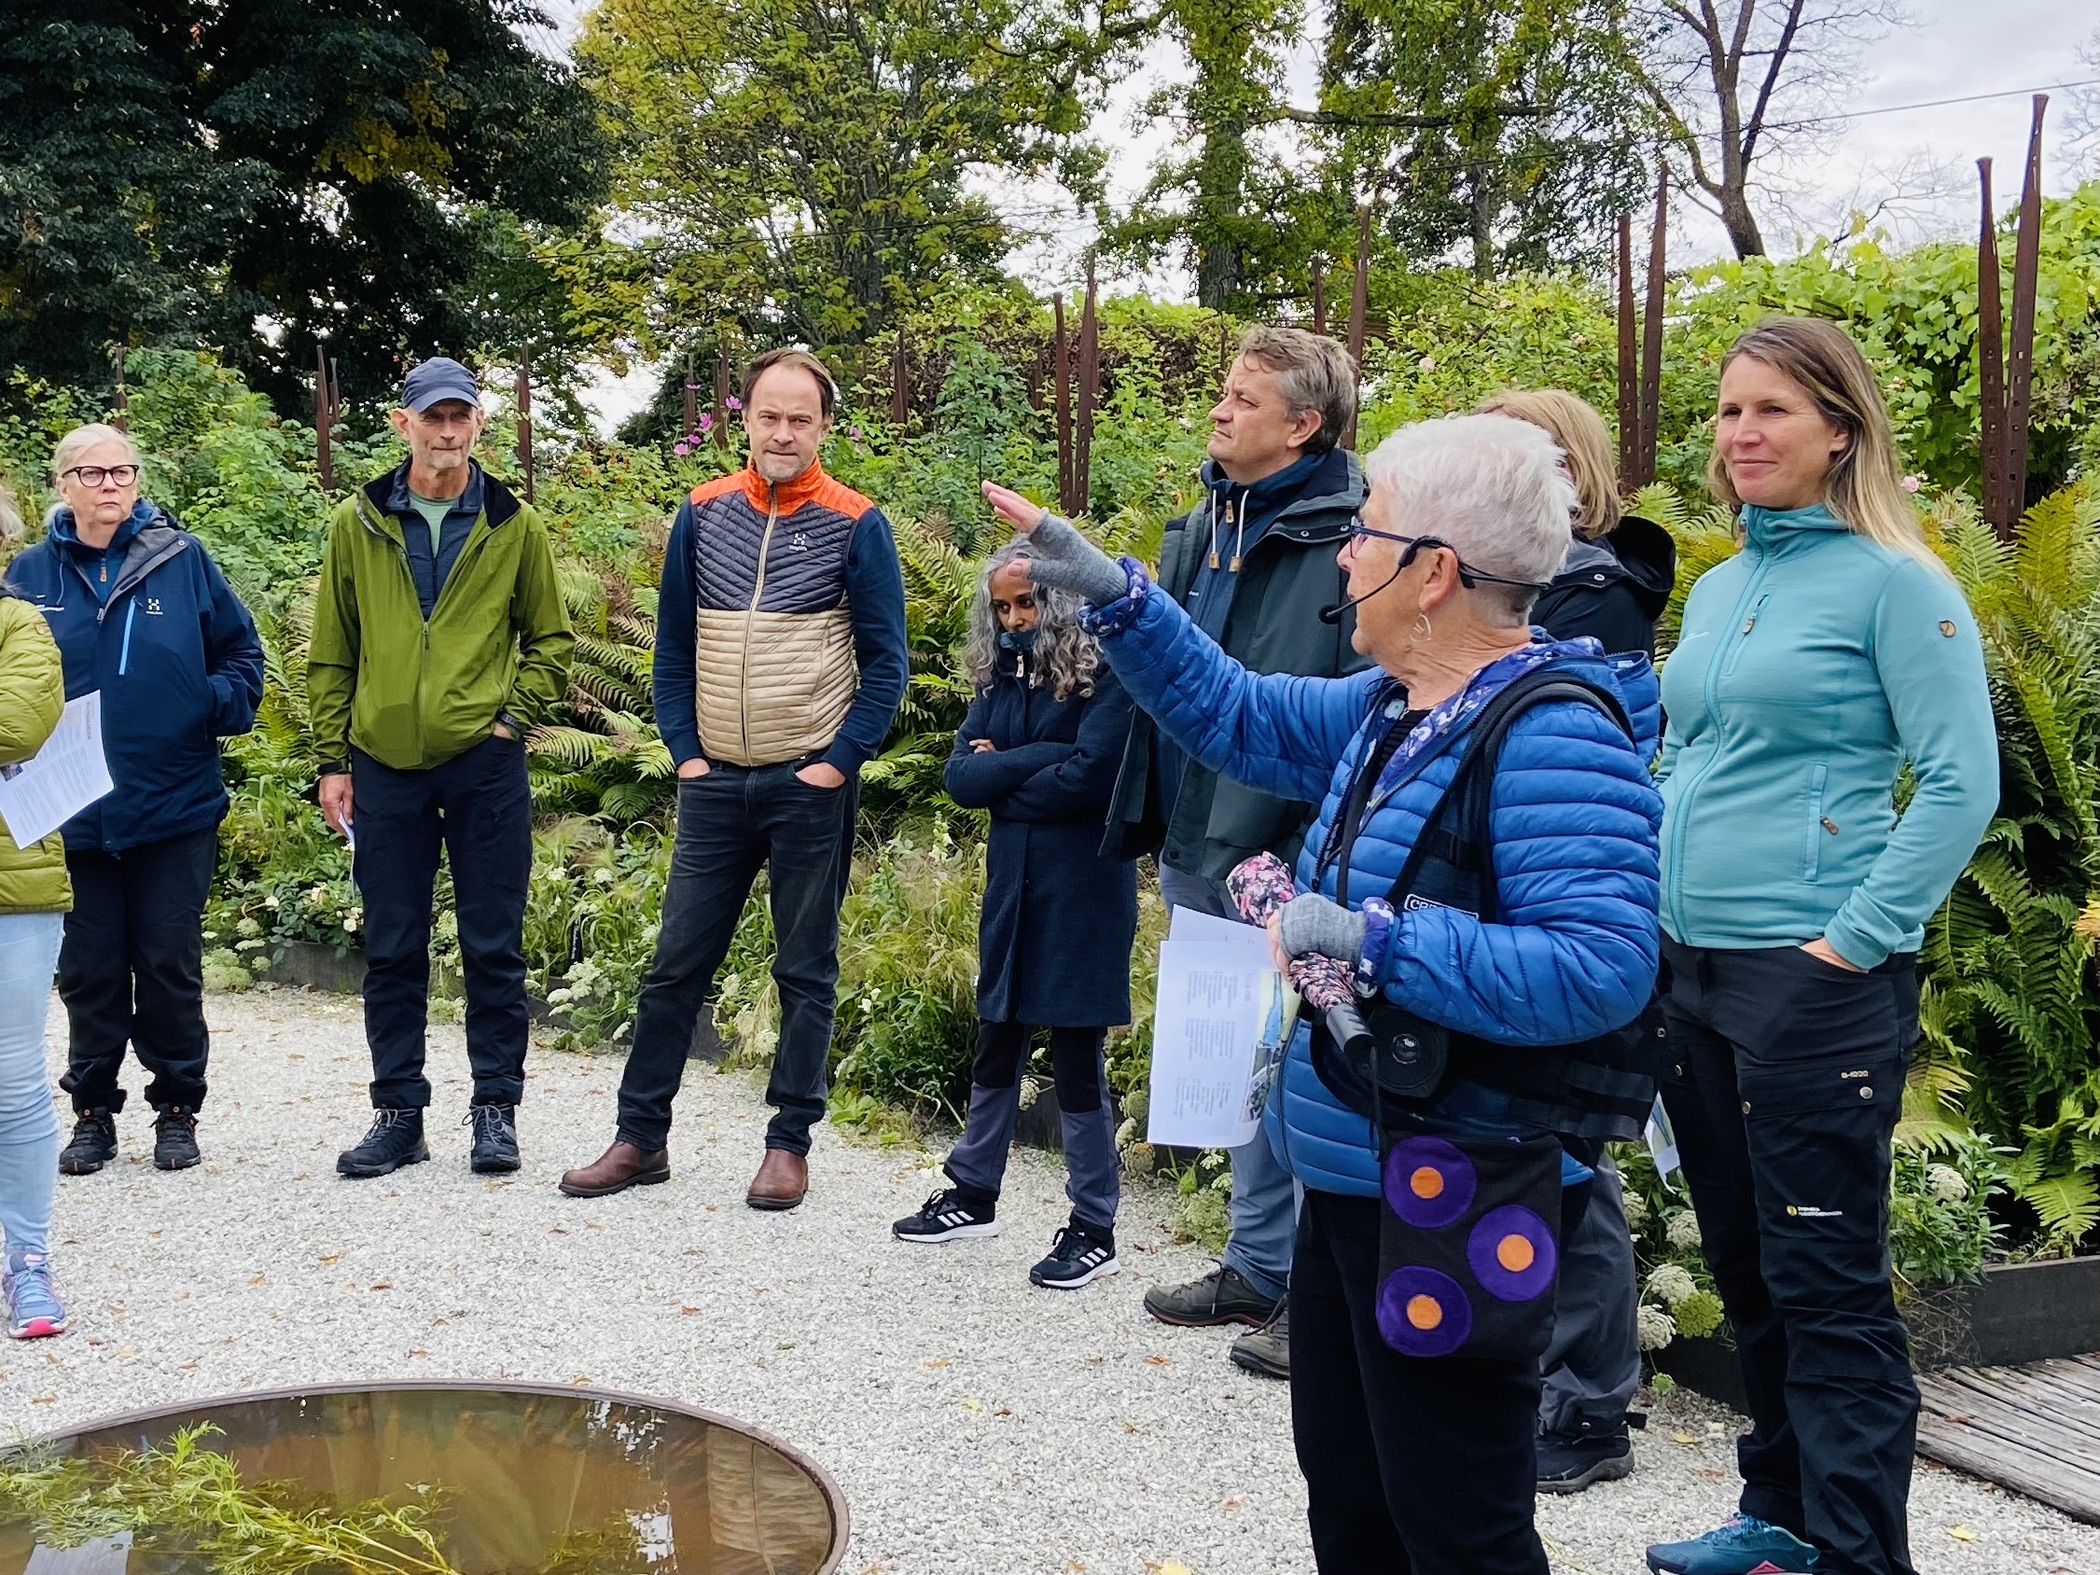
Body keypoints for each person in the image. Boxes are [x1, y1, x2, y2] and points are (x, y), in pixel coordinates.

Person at [985, 407, 1663, 1574]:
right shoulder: (1396, 706)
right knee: (1352, 1501)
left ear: (1435, 574)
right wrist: (1118, 595)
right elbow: (1236, 714)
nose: (1347, 551)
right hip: (1359, 1173)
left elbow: (1601, 969)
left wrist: (1372, 936)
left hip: (1463, 1185)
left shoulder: (1552, 736)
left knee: (1457, 1523)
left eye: (1369, 530)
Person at [1642, 318, 1996, 1575]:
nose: (1741, 435)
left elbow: (1962, 784)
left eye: (1772, 412)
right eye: (1730, 411)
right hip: (1691, 973)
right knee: (1745, 1268)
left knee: (1828, 1284)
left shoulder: (1899, 581)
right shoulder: (1729, 583)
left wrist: (1851, 944)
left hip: (1815, 985)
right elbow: (1690, 749)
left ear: (1840, 429)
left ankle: (1859, 1556)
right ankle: (1781, 1518)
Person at [560, 348, 907, 1212]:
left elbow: (888, 664)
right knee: (675, 967)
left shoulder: (857, 522)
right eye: (768, 415)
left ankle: (789, 1143)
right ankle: (640, 1138)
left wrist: (837, 762)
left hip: (807, 784)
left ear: (825, 426)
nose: (783, 431)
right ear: (742, 419)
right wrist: (684, 751)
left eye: (800, 418)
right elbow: (672, 644)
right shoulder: (703, 511)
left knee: (805, 970)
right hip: (714, 783)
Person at [1116, 325, 1367, 1378]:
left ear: (1303, 425)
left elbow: (1341, 703)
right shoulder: (1199, 525)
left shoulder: (1353, 537)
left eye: (1241, 401)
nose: (1218, 414)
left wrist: (1286, 835)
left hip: (1280, 845)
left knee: (1304, 1063)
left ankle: (1318, 1290)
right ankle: (1256, 1264)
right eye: (1222, 397)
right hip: (1193, 832)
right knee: (1237, 1062)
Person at [309, 357, 575, 1179]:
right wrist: (331, 758)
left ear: (479, 426)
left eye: (462, 417)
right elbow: (332, 651)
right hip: (383, 764)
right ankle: (398, 1113)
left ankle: (495, 1109)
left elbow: (552, 642)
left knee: (493, 943)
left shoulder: (511, 522)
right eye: (434, 417)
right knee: (392, 944)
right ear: (404, 424)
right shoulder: (358, 524)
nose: (448, 432)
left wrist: (508, 723)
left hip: (481, 765)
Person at [1481, 388, 1675, 1494]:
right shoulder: (1555, 582)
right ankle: (1540, 1383)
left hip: (1559, 896)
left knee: (1567, 1162)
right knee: (1529, 1157)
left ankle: (1595, 1406)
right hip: (1513, 888)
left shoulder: (1588, 592)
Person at [3, 425, 264, 1176]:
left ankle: (177, 1107)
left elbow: (244, 654)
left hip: (173, 805)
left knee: (168, 964)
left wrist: (204, 703)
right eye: (93, 472)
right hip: (68, 813)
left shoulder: (183, 561)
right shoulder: (30, 575)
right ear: (64, 486)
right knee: (87, 969)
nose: (111, 483)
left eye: (123, 470)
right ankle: (92, 1111)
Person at [892, 539, 1138, 1287]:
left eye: (1026, 603)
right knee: (997, 1033)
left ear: (1058, 599)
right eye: (1001, 606)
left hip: (1085, 886)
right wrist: (1037, 759)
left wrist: (1007, 764)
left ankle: (1094, 1224)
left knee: (1075, 1052)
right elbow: (960, 777)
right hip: (1015, 882)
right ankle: (973, 1190)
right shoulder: (1001, 674)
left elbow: (1093, 778)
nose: (1013, 618)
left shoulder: (1110, 671)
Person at [1, 488, 73, 1338]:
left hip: (13, 882)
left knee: (14, 1076)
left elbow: (20, 723)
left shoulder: (21, 627)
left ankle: (25, 1259)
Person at [1480, 389, 1676, 658]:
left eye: (1501, 457)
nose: (1474, 473)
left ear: (1570, 468)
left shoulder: (1597, 600)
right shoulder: (1477, 572)